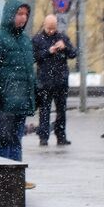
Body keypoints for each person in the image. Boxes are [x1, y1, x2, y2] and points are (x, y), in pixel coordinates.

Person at [0, 0, 35, 169]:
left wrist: (35, 91)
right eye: (19, 14)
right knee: (4, 140)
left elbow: (28, 69)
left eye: (26, 14)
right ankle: (4, 178)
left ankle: (16, 177)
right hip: (5, 98)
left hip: (21, 99)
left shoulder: (25, 39)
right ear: (10, 14)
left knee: (17, 139)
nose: (23, 18)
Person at [32, 14, 75, 146]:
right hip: (45, 82)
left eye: (53, 28)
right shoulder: (37, 39)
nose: (51, 31)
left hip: (61, 81)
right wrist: (47, 51)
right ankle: (43, 137)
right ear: (44, 25)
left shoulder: (62, 38)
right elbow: (33, 57)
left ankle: (61, 136)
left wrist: (65, 47)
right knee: (45, 110)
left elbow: (73, 54)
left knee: (61, 110)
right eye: (49, 28)